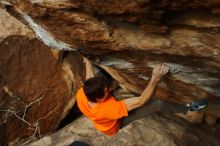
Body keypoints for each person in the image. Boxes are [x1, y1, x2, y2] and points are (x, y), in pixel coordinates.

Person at [76, 58, 208, 136]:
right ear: (98, 99)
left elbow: (90, 79)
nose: (109, 89)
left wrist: (88, 63)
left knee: (100, 75)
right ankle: (186, 108)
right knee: (159, 103)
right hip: (115, 125)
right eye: (106, 92)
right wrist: (156, 78)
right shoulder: (110, 109)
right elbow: (141, 101)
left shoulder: (84, 92)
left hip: (99, 115)